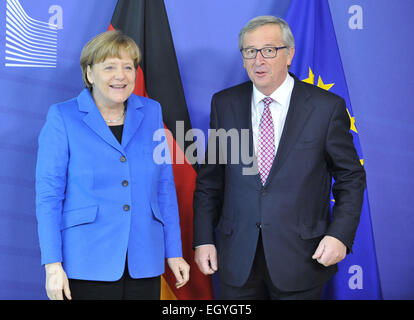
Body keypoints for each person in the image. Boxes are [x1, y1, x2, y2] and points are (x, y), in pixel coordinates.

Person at [193, 16, 366, 300]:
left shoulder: (326, 108)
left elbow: (351, 177)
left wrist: (340, 235)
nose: (258, 60)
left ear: (289, 55)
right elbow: (210, 181)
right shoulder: (224, 104)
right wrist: (203, 239)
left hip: (303, 258)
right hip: (237, 258)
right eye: (250, 51)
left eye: (269, 50)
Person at [36, 30, 189, 300]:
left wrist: (174, 252)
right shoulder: (62, 117)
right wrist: (52, 265)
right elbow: (49, 197)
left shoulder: (151, 111)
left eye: (128, 67)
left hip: (145, 260)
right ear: (90, 73)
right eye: (109, 67)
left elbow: (164, 186)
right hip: (87, 261)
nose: (121, 76)